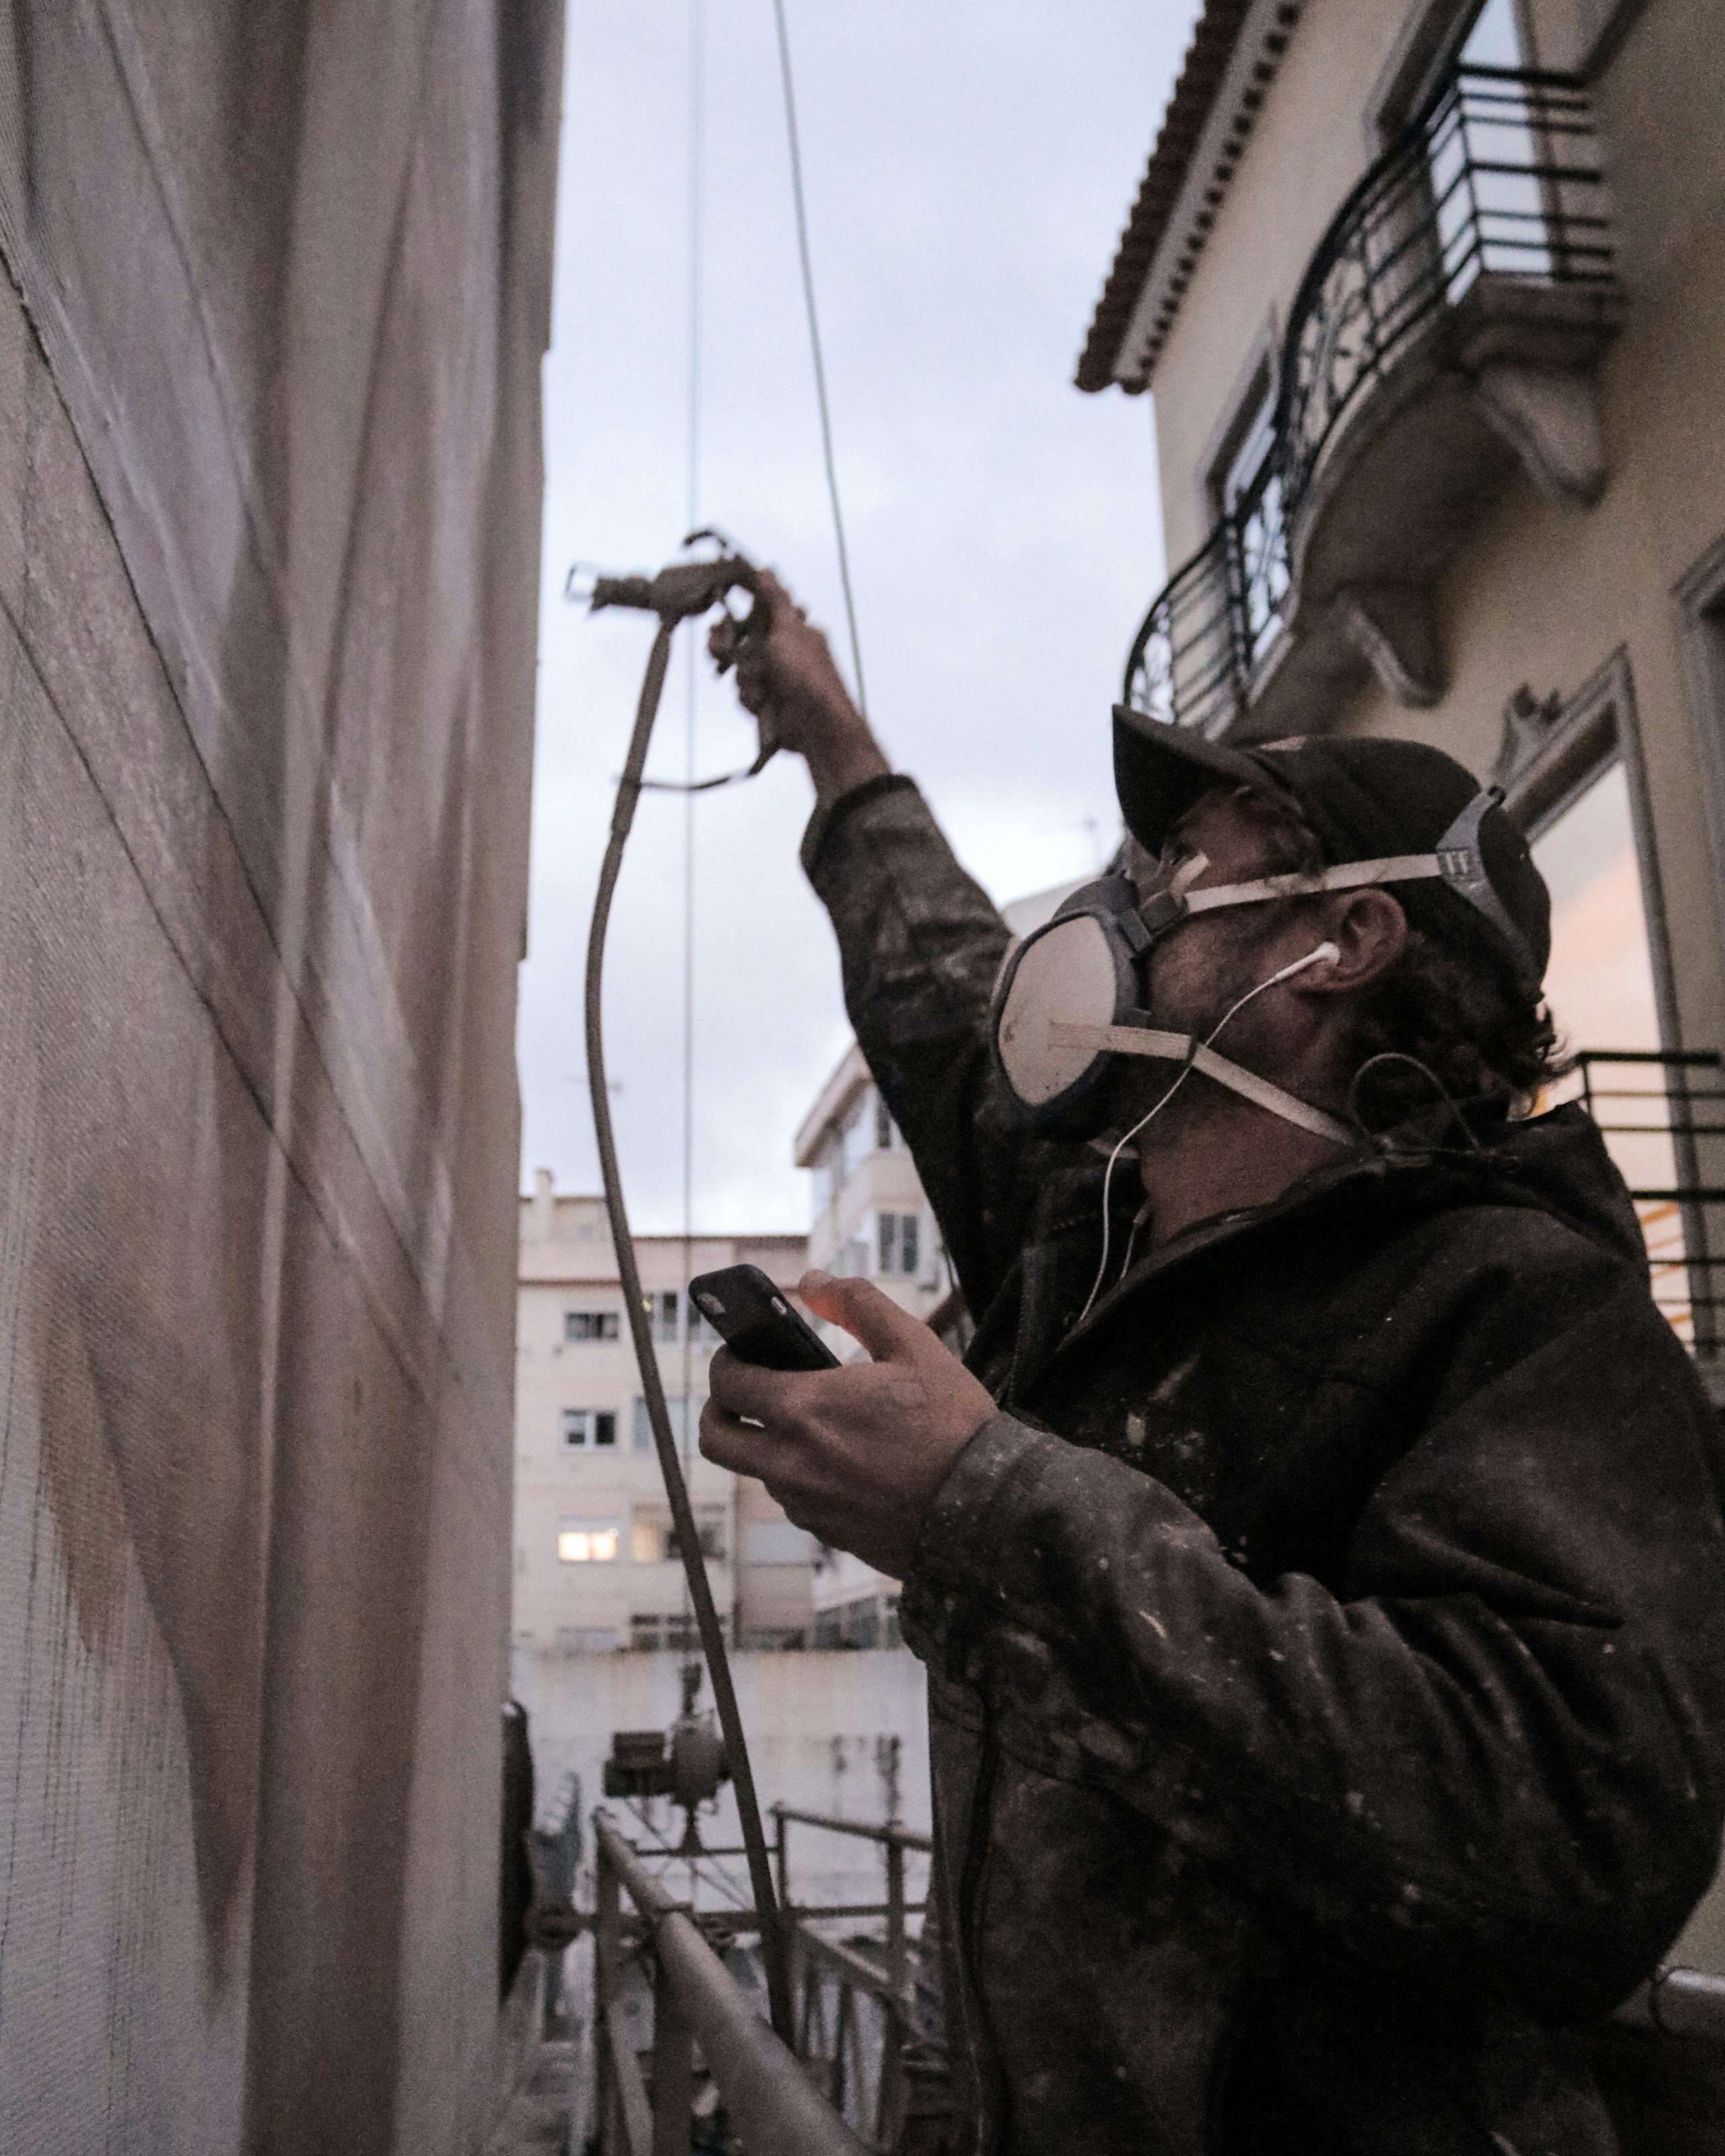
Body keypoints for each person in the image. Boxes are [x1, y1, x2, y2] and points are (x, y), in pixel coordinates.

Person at [698, 574, 1725, 2155]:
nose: (1131, 899)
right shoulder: (1095, 1231)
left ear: (1339, 940)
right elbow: (936, 994)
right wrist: (832, 743)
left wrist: (976, 1504)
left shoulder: (1524, 1312)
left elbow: (1571, 1834)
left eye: (1187, 866)